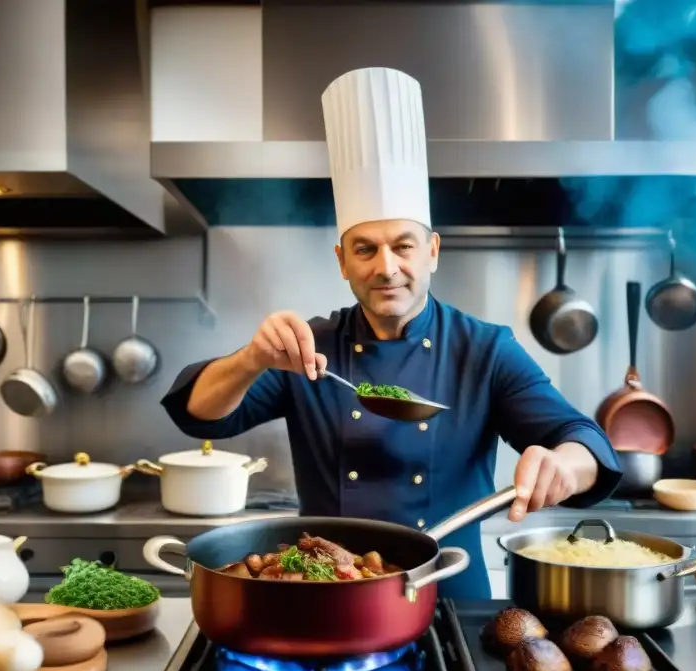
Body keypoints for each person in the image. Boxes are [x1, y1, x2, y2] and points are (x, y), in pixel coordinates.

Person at [161, 67, 622, 599]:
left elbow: (585, 441)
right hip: (329, 596)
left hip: (448, 593)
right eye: (364, 248)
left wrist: (566, 464)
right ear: (342, 261)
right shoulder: (308, 348)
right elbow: (199, 413)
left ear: (432, 252)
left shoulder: (486, 350)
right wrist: (249, 360)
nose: (385, 267)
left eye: (403, 245)